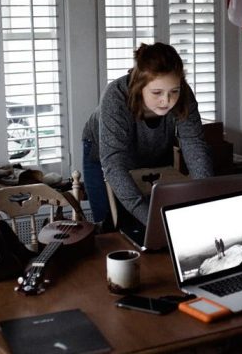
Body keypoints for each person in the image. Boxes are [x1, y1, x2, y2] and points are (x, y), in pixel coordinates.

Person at [82, 42, 213, 227]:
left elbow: (194, 145)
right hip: (104, 153)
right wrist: (153, 222)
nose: (166, 101)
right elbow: (114, 164)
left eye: (174, 91)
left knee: (162, 211)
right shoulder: (115, 96)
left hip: (154, 149)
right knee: (107, 224)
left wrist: (206, 198)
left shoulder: (184, 94)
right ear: (139, 86)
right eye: (157, 92)